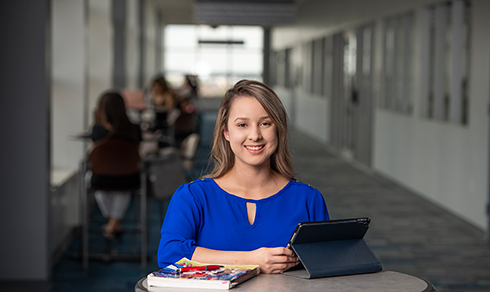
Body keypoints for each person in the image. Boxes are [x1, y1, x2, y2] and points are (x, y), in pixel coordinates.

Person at [157, 80, 329, 274]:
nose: (255, 135)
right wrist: (251, 260)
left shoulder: (308, 199)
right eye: (242, 124)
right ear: (226, 133)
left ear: (278, 130)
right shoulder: (193, 196)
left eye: (265, 123)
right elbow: (170, 255)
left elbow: (323, 266)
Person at [89, 91, 142, 239]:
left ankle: (111, 223)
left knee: (100, 190)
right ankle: (114, 223)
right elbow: (136, 154)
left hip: (101, 178)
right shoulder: (134, 129)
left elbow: (95, 155)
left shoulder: (97, 130)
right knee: (122, 189)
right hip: (128, 177)